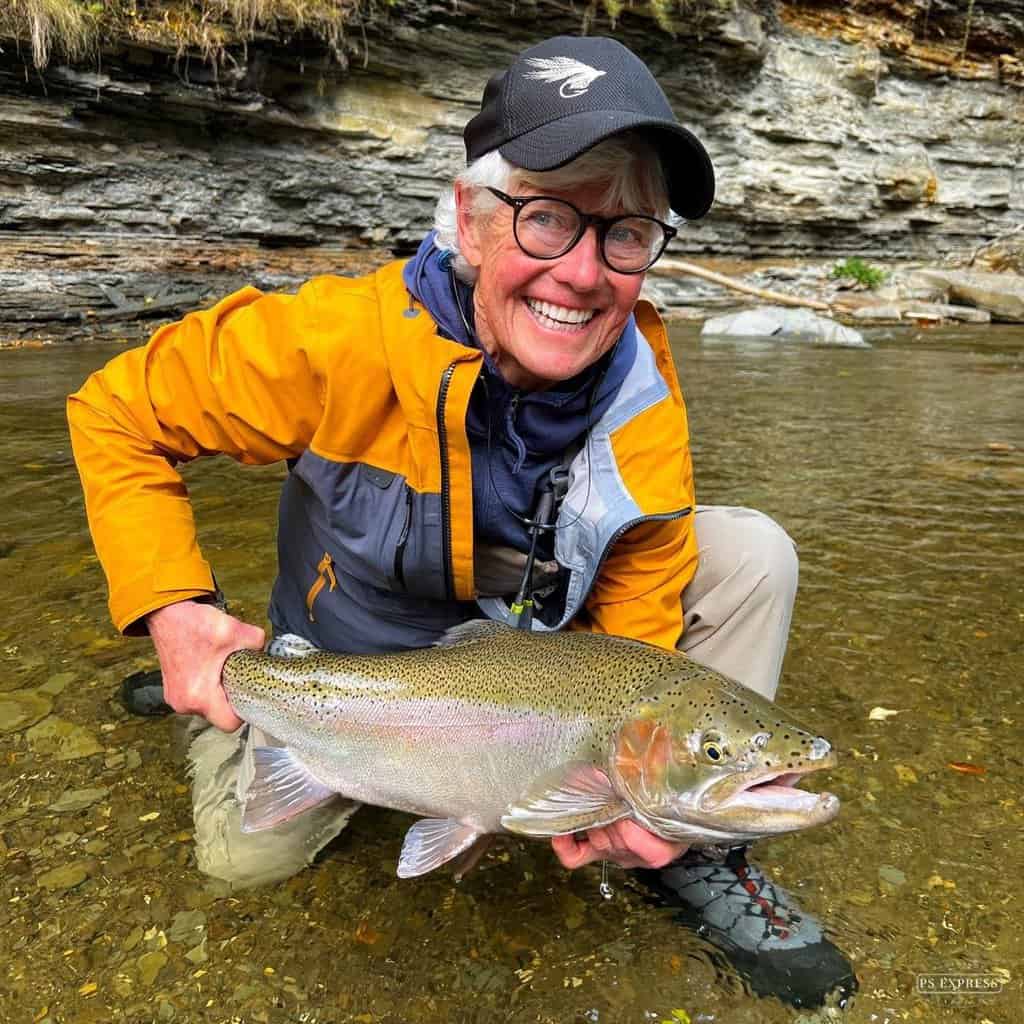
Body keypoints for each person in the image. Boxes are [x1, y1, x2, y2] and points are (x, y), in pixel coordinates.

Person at [68, 35, 854, 1007]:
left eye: (625, 233)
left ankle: (692, 839)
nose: (582, 273)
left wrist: (621, 791)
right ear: (469, 219)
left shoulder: (644, 397)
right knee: (244, 867)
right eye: (548, 218)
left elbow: (639, 648)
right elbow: (115, 413)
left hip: (529, 664)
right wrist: (177, 608)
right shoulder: (331, 340)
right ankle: (228, 689)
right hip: (352, 663)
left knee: (752, 553)